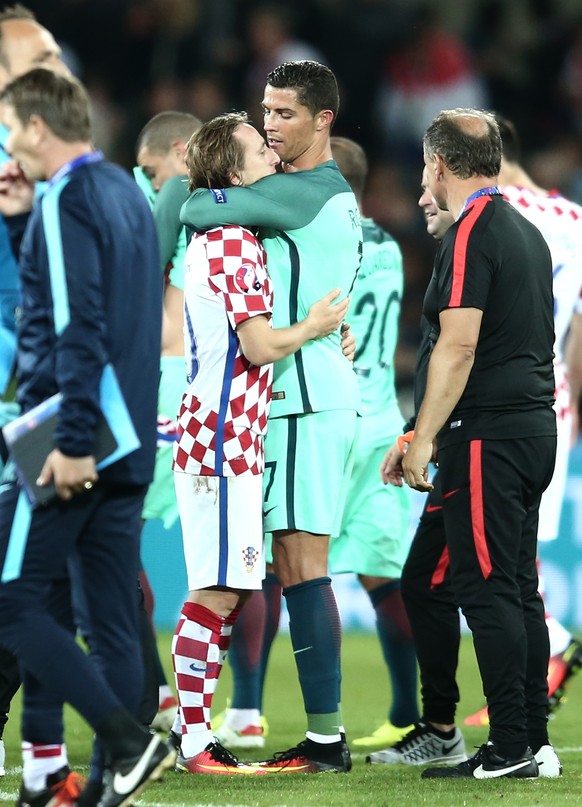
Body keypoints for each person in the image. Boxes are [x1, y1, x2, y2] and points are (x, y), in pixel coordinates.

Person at [0, 68, 175, 805]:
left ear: (38, 126)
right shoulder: (126, 196)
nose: (9, 143)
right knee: (109, 619)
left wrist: (71, 441)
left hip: (73, 432)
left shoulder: (68, 196)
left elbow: (78, 325)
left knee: (13, 602)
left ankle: (129, 741)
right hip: (131, 432)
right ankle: (104, 778)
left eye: (10, 126)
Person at [181, 60, 362, 774]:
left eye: (285, 115)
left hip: (299, 396)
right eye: (265, 112)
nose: (270, 126)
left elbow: (198, 206)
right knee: (258, 571)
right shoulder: (324, 192)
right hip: (298, 391)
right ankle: (216, 722)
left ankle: (321, 738)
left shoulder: (300, 190)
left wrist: (193, 189)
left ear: (324, 121)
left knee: (298, 566)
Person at [214, 135, 418, 753]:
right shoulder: (380, 245)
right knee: (380, 577)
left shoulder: (290, 229)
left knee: (283, 566)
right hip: (373, 413)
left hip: (301, 400)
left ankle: (252, 708)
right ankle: (415, 715)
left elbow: (283, 321)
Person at [384, 108, 557, 780]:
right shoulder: (525, 230)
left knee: (488, 589)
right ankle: (531, 741)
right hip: (529, 429)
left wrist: (422, 438)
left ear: (437, 164)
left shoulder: (470, 234)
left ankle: (511, 743)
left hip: (488, 434)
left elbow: (457, 345)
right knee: (515, 587)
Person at [464, 114, 582, 726]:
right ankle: (532, 677)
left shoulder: (488, 214)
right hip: (554, 402)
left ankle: (538, 665)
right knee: (517, 552)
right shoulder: (575, 222)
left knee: (500, 557)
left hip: (497, 404)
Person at [0, 2, 76, 791]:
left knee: (43, 585)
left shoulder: (53, 163)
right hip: (25, 399)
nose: (57, 64)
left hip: (36, 405)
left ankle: (49, 755)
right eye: (41, 52)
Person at [135, 110, 201, 731]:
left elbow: (156, 311)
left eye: (152, 172)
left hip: (162, 385)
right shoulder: (238, 209)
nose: (149, 183)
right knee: (230, 561)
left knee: (103, 542)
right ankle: (236, 709)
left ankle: (155, 695)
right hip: (214, 388)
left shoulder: (181, 198)